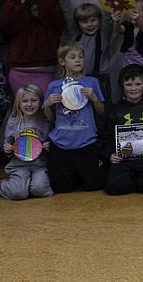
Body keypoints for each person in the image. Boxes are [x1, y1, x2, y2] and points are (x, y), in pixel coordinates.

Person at [43, 41, 107, 193]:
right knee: (61, 188)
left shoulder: (91, 82)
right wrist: (47, 105)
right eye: (72, 57)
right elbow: (50, 119)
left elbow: (101, 111)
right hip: (61, 144)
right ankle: (74, 173)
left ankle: (80, 172)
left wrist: (94, 98)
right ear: (62, 61)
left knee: (95, 185)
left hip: (86, 142)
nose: (78, 60)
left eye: (80, 56)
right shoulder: (54, 85)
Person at [101, 65, 143, 195]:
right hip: (123, 159)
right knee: (115, 188)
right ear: (122, 86)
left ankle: (137, 178)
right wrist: (111, 154)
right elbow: (107, 136)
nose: (134, 88)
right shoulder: (115, 110)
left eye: (138, 84)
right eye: (129, 84)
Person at [0, 84, 53, 200]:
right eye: (25, 101)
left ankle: (27, 185)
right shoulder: (13, 122)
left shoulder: (46, 122)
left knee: (40, 190)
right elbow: (7, 143)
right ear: (18, 104)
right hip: (18, 165)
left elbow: (52, 143)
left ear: (41, 102)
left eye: (34, 100)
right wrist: (7, 148)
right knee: (18, 194)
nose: (29, 104)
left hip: (39, 165)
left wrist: (49, 147)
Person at [0, 0, 62, 96]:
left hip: (44, 73)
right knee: (22, 108)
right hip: (19, 72)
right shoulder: (21, 18)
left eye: (41, 3)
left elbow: (50, 10)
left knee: (43, 109)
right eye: (35, 3)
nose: (38, 7)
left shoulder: (53, 21)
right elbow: (5, 21)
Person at [58, 0, 112, 101]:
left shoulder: (104, 34)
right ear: (78, 24)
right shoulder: (76, 35)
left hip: (100, 80)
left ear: (99, 20)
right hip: (78, 80)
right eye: (84, 22)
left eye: (93, 20)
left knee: (102, 113)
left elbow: (108, 15)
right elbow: (67, 13)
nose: (89, 25)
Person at [113, 0, 143, 100]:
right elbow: (119, 30)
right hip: (128, 62)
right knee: (128, 90)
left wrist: (139, 20)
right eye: (131, 10)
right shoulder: (128, 25)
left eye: (137, 11)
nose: (133, 13)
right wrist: (116, 21)